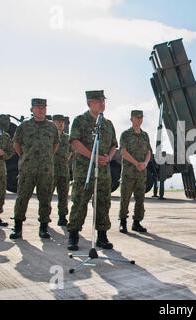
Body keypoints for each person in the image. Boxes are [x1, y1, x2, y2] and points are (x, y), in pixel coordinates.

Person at [66, 90, 118, 251]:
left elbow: (113, 146)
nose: (102, 103)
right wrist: (93, 157)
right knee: (80, 202)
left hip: (103, 171)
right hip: (84, 170)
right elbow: (74, 141)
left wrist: (108, 157)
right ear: (89, 103)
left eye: (103, 100)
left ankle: (102, 236)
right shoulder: (80, 121)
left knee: (103, 203)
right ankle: (73, 235)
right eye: (98, 101)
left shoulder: (108, 124)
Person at [10, 99, 59, 240]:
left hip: (46, 170)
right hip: (27, 169)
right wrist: (26, 158)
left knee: (45, 199)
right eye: (38, 107)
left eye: (43, 107)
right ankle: (18, 228)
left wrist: (46, 157)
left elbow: (55, 145)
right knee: (22, 198)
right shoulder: (24, 126)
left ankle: (43, 228)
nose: (41, 110)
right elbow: (17, 145)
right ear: (32, 109)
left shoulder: (52, 127)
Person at [118, 110, 152, 234]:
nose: (139, 119)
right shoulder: (126, 134)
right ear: (131, 119)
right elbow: (123, 151)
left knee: (140, 200)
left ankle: (137, 223)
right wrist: (136, 163)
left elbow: (149, 151)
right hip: (129, 173)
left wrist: (145, 163)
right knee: (125, 199)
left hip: (141, 173)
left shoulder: (145, 135)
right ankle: (123, 222)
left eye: (141, 117)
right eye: (137, 117)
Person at [52, 115, 72, 227]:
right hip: (51, 170)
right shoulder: (49, 136)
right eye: (58, 122)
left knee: (63, 196)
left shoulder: (68, 138)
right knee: (46, 195)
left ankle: (62, 217)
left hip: (64, 171)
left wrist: (65, 161)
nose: (60, 124)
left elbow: (71, 152)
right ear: (53, 123)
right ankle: (45, 218)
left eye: (62, 122)